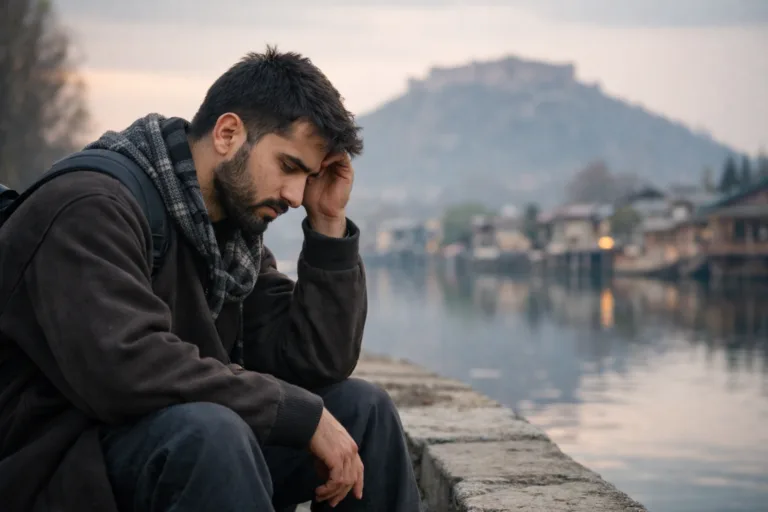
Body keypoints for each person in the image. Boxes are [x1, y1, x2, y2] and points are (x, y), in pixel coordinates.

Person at [0, 47, 422, 512]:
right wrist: (296, 415)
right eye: (288, 167)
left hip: (171, 446)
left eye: (309, 177)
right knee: (214, 434)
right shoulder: (89, 208)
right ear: (227, 133)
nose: (296, 196)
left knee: (364, 412)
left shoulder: (232, 236)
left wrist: (328, 223)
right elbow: (126, 368)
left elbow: (312, 363)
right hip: (59, 467)